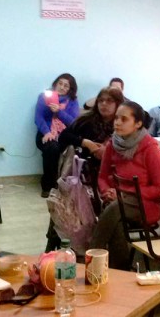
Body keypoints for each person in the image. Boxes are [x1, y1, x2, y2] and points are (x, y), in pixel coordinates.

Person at [45, 86, 124, 251]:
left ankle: (103, 244)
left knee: (112, 201)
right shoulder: (87, 120)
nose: (104, 104)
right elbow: (64, 136)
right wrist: (85, 142)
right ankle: (55, 243)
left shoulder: (123, 123)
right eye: (101, 101)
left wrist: (107, 151)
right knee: (66, 201)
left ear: (118, 104)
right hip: (85, 174)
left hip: (113, 174)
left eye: (109, 101)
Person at [90, 101, 160, 270]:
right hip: (117, 202)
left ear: (138, 123)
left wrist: (124, 193)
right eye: (116, 118)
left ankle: (91, 257)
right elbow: (102, 176)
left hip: (144, 205)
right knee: (116, 217)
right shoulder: (113, 144)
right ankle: (120, 269)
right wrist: (106, 191)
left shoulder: (150, 149)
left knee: (114, 208)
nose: (117, 122)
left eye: (124, 119)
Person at [34, 73, 80, 197]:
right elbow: (38, 118)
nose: (62, 87)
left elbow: (73, 123)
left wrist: (59, 112)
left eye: (66, 86)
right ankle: (48, 186)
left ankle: (59, 183)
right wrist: (47, 132)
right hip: (45, 133)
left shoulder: (72, 101)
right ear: (55, 84)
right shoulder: (44, 97)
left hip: (64, 135)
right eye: (60, 83)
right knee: (51, 147)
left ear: (70, 89)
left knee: (57, 147)